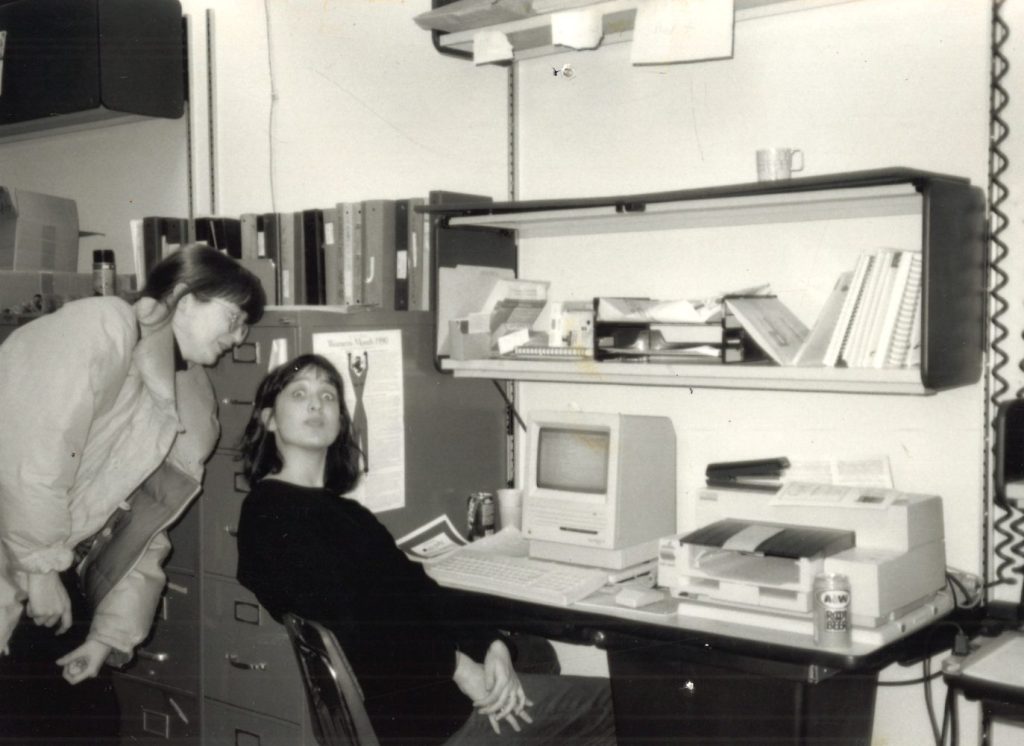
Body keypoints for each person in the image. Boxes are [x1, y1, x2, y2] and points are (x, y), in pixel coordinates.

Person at [235, 354, 617, 745]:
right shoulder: (270, 513)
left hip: (408, 698)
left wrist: (491, 644)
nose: (316, 404)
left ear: (340, 422)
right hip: (424, 721)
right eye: (299, 394)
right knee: (620, 706)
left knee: (534, 653)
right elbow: (356, 619)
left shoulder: (342, 512)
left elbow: (419, 591)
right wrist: (458, 667)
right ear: (268, 420)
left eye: (328, 395)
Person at [0, 243, 266, 744]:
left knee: (91, 725)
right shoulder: (100, 326)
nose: (239, 337)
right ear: (184, 297)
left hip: (49, 576)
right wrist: (38, 569)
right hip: (21, 565)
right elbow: (28, 458)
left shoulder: (185, 394)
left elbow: (142, 526)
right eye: (233, 318)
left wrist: (107, 636)